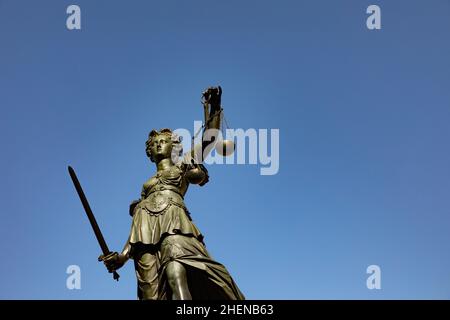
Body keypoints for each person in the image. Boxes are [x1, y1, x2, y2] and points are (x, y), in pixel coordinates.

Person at [101, 87, 245, 300]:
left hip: (175, 227)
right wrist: (122, 257)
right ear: (150, 151)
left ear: (173, 146)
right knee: (152, 296)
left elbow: (210, 138)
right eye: (155, 143)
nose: (159, 144)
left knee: (175, 270)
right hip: (145, 242)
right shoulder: (145, 189)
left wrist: (214, 105)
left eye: (163, 141)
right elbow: (138, 228)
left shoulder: (182, 166)